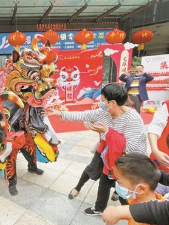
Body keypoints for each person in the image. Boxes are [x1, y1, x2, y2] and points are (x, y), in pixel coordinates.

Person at [46, 83, 147, 214]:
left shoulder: (132, 118)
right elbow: (84, 115)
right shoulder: (104, 112)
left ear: (112, 103)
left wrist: (106, 131)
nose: (100, 103)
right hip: (109, 154)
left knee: (125, 191)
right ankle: (100, 208)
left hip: (129, 160)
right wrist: (59, 113)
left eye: (102, 100)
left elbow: (129, 147)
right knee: (104, 181)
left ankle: (132, 215)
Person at [90, 153, 169, 225]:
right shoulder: (138, 200)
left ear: (141, 189)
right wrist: (121, 215)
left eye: (119, 181)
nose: (116, 184)